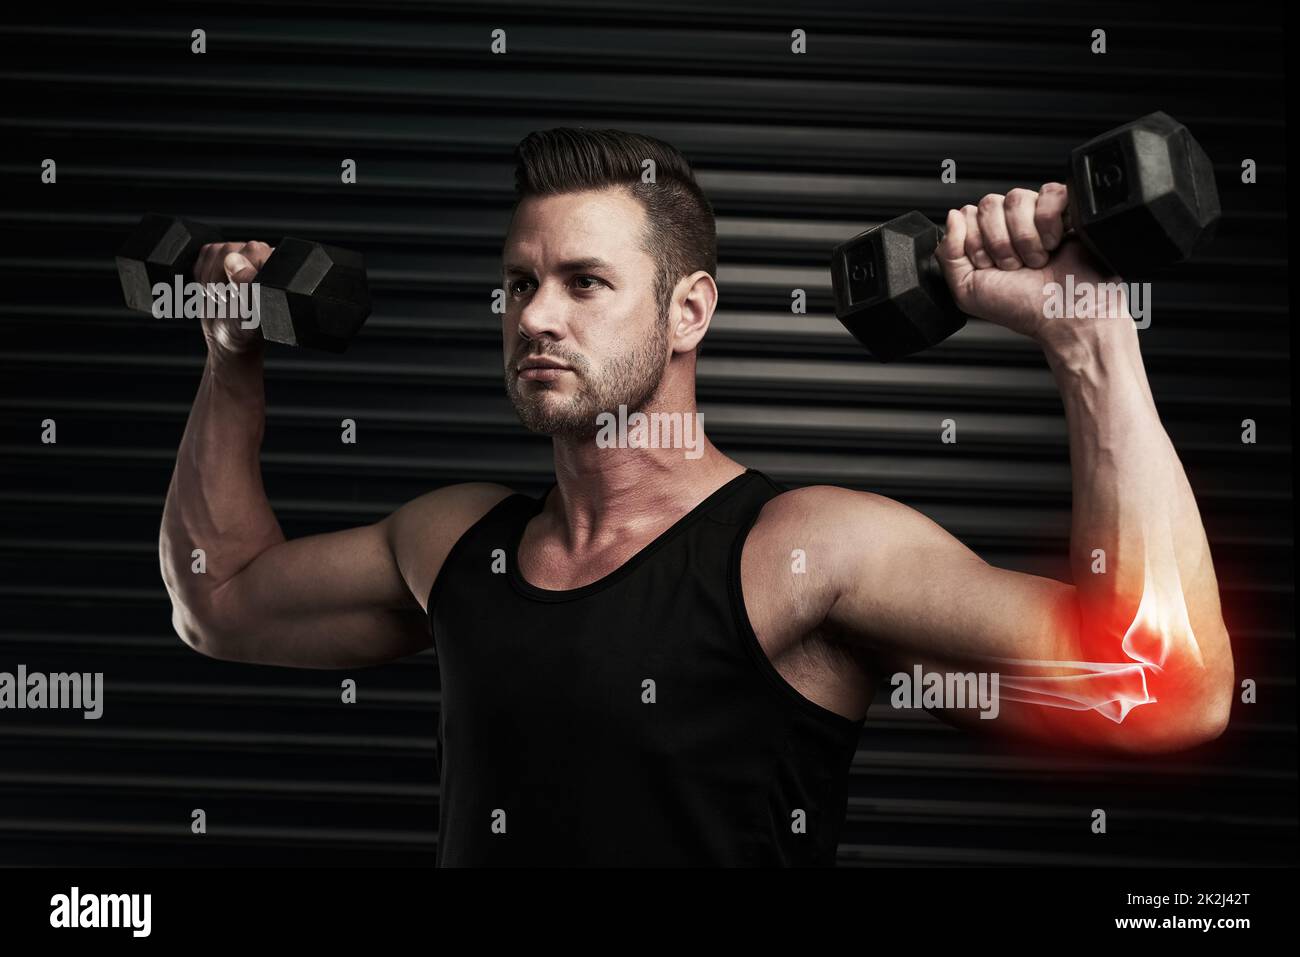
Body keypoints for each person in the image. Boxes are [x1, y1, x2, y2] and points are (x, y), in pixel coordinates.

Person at [160, 128, 1234, 866]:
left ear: (688, 311)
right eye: (520, 283)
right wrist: (230, 356)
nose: (536, 317)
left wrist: (1088, 337)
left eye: (585, 283)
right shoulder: (454, 544)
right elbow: (219, 601)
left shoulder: (805, 552)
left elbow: (1162, 685)